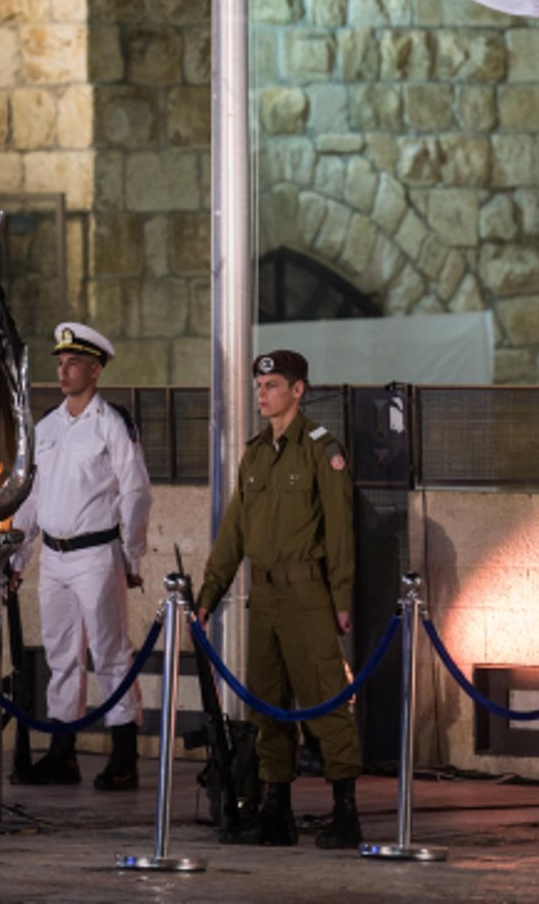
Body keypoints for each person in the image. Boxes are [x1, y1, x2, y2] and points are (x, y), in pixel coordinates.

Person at [196, 349, 363, 850]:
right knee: (266, 705)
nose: (263, 394)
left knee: (324, 699)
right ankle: (276, 811)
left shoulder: (320, 450)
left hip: (308, 592)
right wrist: (210, 593)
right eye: (259, 386)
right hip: (264, 595)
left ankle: (346, 809)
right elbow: (233, 534)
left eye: (272, 385)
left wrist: (341, 596)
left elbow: (339, 530)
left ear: (298, 390)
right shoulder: (254, 453)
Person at [11, 321, 151, 790]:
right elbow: (31, 496)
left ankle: (124, 754)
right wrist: (17, 555)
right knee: (61, 653)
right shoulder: (47, 426)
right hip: (54, 555)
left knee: (111, 651)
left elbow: (135, 493)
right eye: (61, 362)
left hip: (96, 552)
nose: (64, 370)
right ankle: (62, 753)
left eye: (74, 363)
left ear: (96, 370)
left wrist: (132, 557)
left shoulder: (112, 425)